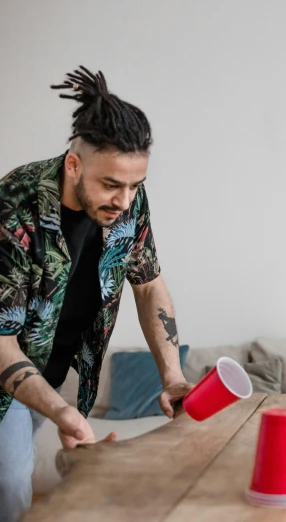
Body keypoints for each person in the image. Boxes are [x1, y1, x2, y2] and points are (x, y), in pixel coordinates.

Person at [0, 67, 193, 521]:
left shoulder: (128, 202)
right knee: (9, 483)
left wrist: (172, 377)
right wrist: (64, 411)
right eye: (111, 184)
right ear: (74, 164)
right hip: (5, 369)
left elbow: (149, 287)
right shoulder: (13, 206)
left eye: (135, 185)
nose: (124, 201)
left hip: (45, 374)